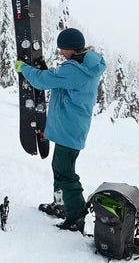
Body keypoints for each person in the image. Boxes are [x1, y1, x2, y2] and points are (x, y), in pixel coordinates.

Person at [15, 28, 106, 233]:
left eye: (62, 49)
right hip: (72, 126)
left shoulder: (74, 70)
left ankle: (76, 217)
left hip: (69, 129)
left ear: (72, 48)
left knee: (65, 173)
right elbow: (59, 80)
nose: (60, 52)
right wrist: (49, 72)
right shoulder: (84, 65)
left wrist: (24, 69)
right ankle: (61, 204)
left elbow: (41, 81)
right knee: (60, 168)